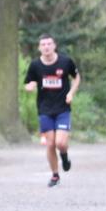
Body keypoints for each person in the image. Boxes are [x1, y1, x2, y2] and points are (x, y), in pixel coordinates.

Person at [24, 34, 80, 187]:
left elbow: (77, 77)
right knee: (50, 144)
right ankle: (55, 175)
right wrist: (30, 86)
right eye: (43, 44)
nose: (46, 47)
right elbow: (29, 81)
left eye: (49, 44)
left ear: (54, 46)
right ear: (39, 48)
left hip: (63, 108)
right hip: (45, 109)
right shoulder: (35, 65)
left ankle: (64, 156)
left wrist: (71, 93)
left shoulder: (65, 61)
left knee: (60, 143)